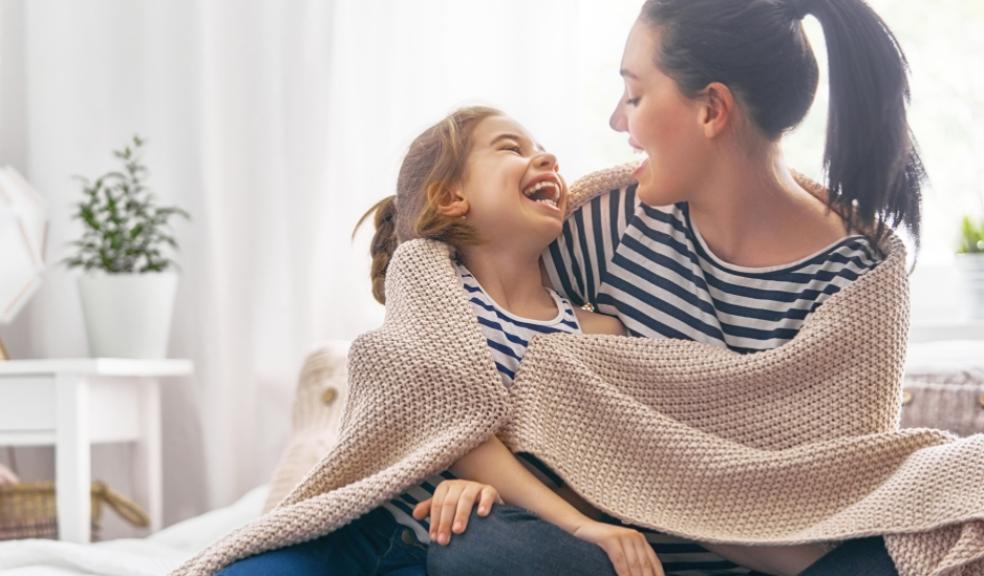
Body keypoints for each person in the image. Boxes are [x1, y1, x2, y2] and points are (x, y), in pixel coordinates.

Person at [425, 0, 923, 575]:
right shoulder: (614, 224)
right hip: (613, 562)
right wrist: (479, 480)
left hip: (787, 564)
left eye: (635, 96)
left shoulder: (856, 281)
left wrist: (675, 485)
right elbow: (456, 326)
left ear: (711, 110)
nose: (618, 121)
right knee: (483, 546)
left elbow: (839, 501)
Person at [217, 106, 677, 576]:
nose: (547, 159)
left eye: (542, 150)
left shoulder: (599, 332)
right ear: (451, 197)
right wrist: (574, 524)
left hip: (464, 548)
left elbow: (601, 471)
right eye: (512, 148)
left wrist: (502, 506)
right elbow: (444, 412)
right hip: (367, 532)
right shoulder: (427, 277)